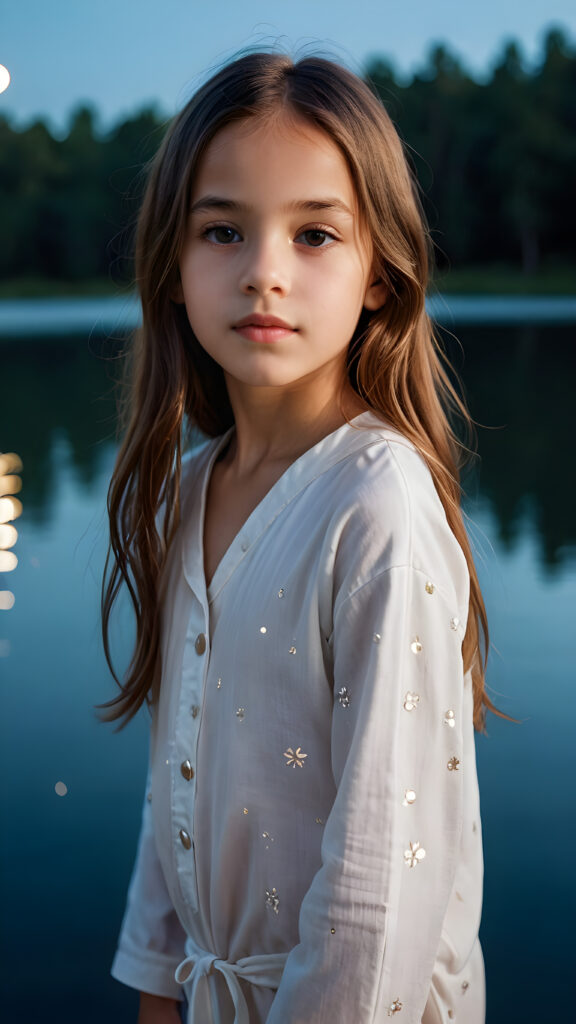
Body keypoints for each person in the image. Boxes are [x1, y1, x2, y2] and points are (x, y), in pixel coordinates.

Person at [102, 52, 501, 1024]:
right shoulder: (188, 494)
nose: (263, 273)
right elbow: (174, 812)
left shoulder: (376, 507)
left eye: (315, 233)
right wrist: (158, 994)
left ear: (378, 274)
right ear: (175, 264)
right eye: (223, 231)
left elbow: (381, 885)